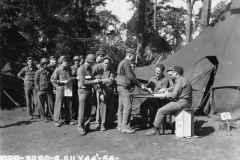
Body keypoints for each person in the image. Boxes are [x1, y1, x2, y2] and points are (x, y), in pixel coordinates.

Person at [145, 66, 192, 136]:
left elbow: (173, 95)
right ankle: (168, 125)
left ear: (176, 73)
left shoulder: (179, 81)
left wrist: (165, 95)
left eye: (172, 73)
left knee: (160, 111)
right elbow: (177, 89)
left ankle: (156, 129)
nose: (171, 75)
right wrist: (166, 90)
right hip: (187, 102)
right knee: (167, 107)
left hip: (181, 102)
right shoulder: (185, 79)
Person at [116, 48, 146, 134]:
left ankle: (120, 126)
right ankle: (125, 127)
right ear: (129, 55)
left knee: (121, 107)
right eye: (133, 57)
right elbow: (130, 76)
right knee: (128, 106)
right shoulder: (127, 63)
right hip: (124, 87)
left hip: (120, 86)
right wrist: (140, 85)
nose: (133, 59)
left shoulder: (121, 62)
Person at [77, 54, 102, 135]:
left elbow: (91, 78)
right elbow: (83, 81)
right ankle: (81, 128)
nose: (93, 65)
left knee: (89, 109)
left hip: (89, 91)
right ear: (89, 62)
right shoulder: (81, 69)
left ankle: (86, 126)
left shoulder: (90, 69)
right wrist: (94, 81)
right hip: (83, 91)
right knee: (82, 110)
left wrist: (95, 79)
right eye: (92, 63)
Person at [92, 55, 115, 131]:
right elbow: (98, 82)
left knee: (109, 107)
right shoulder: (100, 70)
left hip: (109, 90)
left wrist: (104, 80)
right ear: (103, 63)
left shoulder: (111, 70)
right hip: (101, 90)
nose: (106, 65)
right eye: (105, 63)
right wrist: (105, 81)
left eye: (108, 63)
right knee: (102, 107)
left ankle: (106, 123)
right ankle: (101, 124)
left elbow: (112, 79)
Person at [51, 56, 74, 127]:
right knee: (58, 104)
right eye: (64, 62)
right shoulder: (58, 70)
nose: (66, 63)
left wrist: (72, 80)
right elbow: (52, 80)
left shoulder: (69, 69)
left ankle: (68, 119)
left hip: (68, 88)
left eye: (67, 62)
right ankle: (56, 120)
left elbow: (70, 76)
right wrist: (59, 83)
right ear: (61, 62)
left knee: (68, 104)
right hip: (60, 88)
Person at [93, 50, 106, 129]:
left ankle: (99, 121)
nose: (102, 57)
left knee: (100, 103)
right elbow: (92, 75)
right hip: (95, 85)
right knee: (97, 104)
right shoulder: (95, 65)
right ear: (97, 56)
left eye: (102, 56)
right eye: (100, 56)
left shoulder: (102, 65)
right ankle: (97, 121)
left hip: (101, 85)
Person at [70, 56, 81, 124]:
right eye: (75, 61)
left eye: (78, 61)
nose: (77, 62)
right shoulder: (71, 68)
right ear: (74, 61)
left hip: (79, 86)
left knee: (77, 101)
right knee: (72, 101)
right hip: (72, 86)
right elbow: (69, 75)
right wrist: (75, 77)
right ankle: (73, 116)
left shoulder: (81, 67)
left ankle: (77, 115)